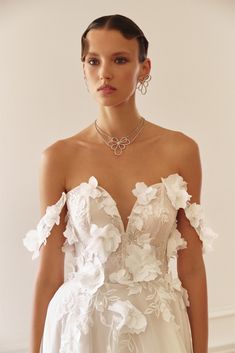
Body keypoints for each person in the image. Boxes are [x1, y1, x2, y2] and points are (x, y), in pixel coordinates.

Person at [23, 14, 217, 353]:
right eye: (93, 61)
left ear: (144, 68)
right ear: (83, 67)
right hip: (81, 330)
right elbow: (50, 275)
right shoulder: (58, 157)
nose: (104, 73)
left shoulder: (181, 150)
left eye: (120, 59)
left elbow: (193, 268)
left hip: (158, 327)